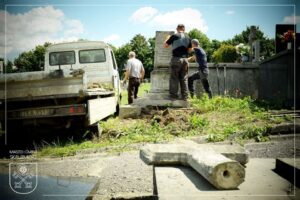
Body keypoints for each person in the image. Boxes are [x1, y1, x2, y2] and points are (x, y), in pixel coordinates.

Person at [163, 24, 192, 100]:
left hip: (176, 59)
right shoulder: (188, 37)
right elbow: (190, 50)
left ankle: (173, 96)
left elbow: (165, 45)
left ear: (177, 29)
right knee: (184, 78)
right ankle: (185, 97)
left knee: (174, 78)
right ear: (184, 29)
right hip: (185, 60)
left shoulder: (174, 36)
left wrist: (167, 38)